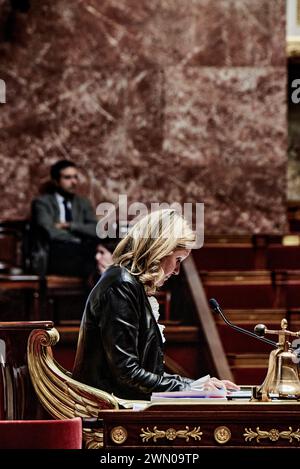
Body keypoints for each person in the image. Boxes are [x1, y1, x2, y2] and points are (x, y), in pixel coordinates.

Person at [72, 209, 238, 400]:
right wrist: (195, 389)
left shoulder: (130, 284)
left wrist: (196, 385)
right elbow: (127, 373)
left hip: (120, 403)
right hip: (107, 411)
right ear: (159, 251)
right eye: (177, 260)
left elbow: (144, 372)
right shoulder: (121, 285)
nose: (176, 271)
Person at [31, 159, 111, 277]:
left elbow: (96, 230)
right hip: (54, 256)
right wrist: (80, 237)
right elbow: (49, 232)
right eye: (67, 178)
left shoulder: (83, 203)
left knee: (101, 257)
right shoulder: (42, 203)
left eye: (75, 177)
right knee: (97, 258)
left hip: (81, 254)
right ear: (56, 181)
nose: (74, 182)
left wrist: (69, 225)